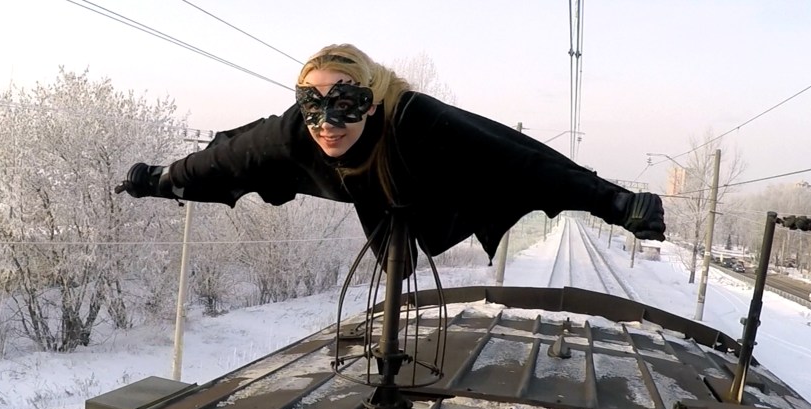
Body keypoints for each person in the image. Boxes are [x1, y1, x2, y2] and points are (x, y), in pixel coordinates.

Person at [116, 43, 665, 266]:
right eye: (313, 107)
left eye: (345, 106)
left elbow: (519, 159)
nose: (327, 126)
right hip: (366, 195)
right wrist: (157, 180)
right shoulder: (290, 136)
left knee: (446, 213)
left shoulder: (415, 121)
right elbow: (218, 163)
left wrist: (616, 202)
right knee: (390, 262)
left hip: (429, 187)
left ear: (372, 103)